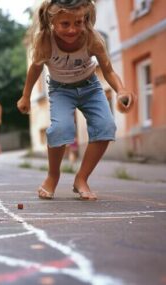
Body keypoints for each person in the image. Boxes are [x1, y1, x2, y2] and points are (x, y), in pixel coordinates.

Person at [17, 0, 135, 200]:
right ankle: (53, 176)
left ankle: (81, 178)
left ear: (85, 19)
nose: (73, 30)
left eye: (78, 23)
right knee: (61, 129)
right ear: (52, 21)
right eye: (65, 24)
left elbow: (108, 70)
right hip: (60, 90)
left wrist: (121, 90)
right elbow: (35, 68)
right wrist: (26, 96)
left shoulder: (92, 39)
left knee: (105, 126)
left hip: (91, 88)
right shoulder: (45, 41)